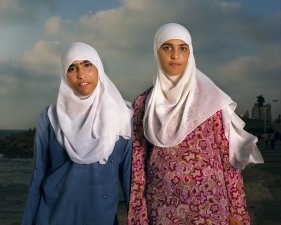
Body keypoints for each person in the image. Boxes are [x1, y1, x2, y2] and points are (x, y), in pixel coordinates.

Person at [127, 23, 264, 225]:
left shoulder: (211, 99)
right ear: (157, 52)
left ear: (190, 52)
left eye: (182, 48)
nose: (175, 55)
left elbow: (229, 159)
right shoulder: (144, 102)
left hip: (211, 206)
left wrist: (237, 211)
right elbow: (138, 164)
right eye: (167, 47)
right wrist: (138, 216)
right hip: (162, 206)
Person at [21, 42, 133, 225]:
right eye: (72, 68)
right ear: (65, 75)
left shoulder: (122, 117)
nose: (81, 74)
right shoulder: (50, 117)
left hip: (101, 218)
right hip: (52, 217)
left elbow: (129, 180)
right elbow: (38, 175)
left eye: (87, 64)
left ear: (98, 67)